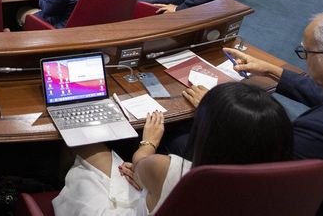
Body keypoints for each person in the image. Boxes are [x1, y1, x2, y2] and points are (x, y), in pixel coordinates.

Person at [53, 82, 293, 216]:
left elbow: (138, 163)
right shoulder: (282, 190)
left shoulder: (174, 170)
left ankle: (48, 183)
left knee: (85, 143)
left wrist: (149, 143)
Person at [218, 11, 323, 215]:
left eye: (306, 52)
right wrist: (271, 70)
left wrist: (219, 109)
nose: (304, 59)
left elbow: (266, 171)